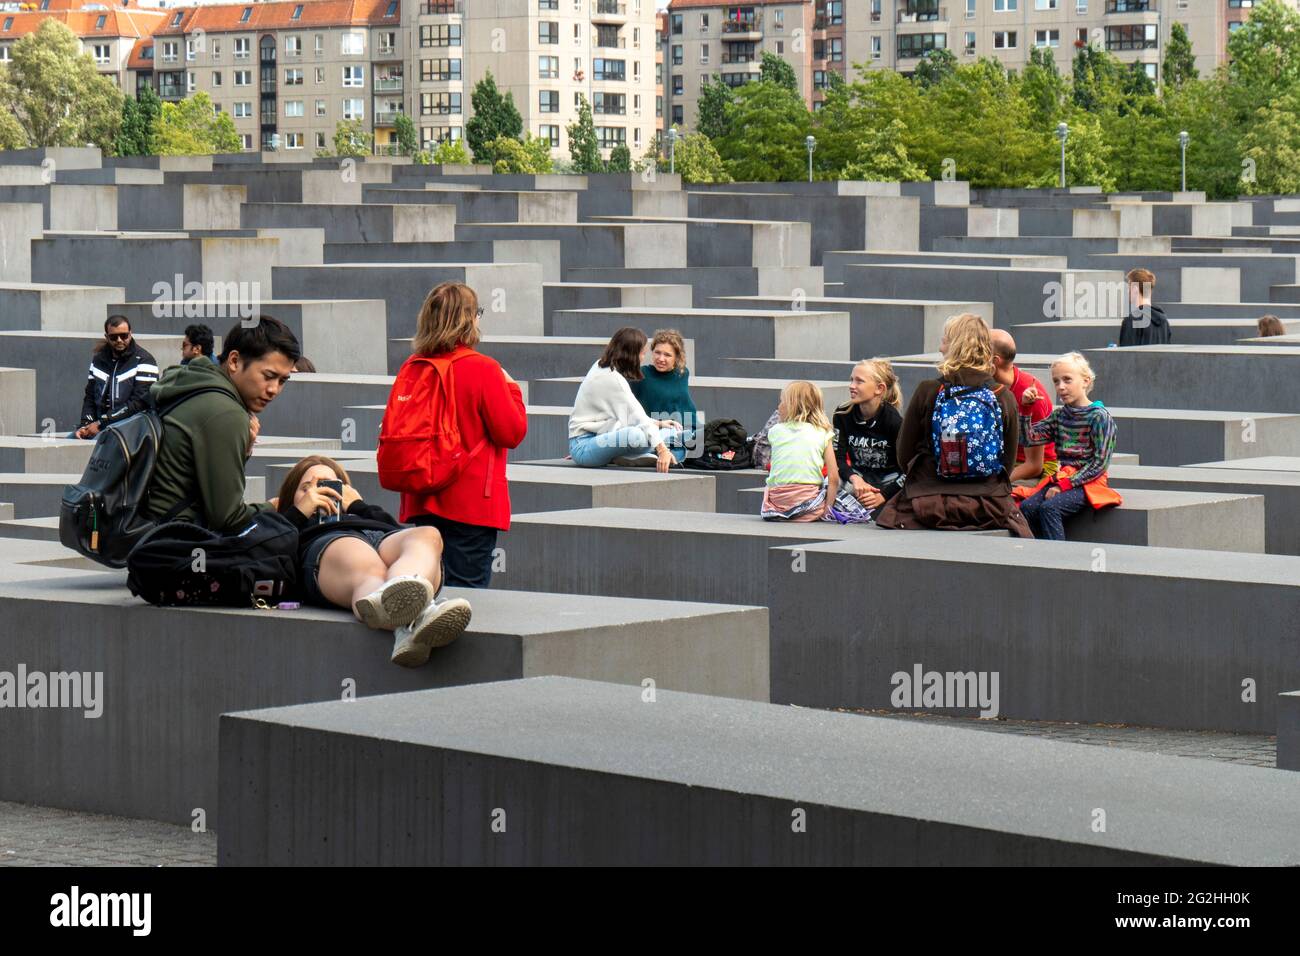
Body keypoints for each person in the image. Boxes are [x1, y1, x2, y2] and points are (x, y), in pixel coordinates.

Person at [275, 456, 472, 666]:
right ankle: (422, 614)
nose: (320, 492)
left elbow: (393, 529)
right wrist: (298, 513)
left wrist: (358, 505)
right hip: (326, 543)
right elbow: (269, 544)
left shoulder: (358, 511)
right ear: (291, 496)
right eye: (306, 487)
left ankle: (410, 619)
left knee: (427, 535)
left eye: (330, 486)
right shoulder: (286, 520)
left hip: (377, 537)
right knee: (366, 563)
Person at [397, 282, 528, 589]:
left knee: (428, 591)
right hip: (470, 504)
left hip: (421, 495)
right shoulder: (483, 368)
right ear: (468, 319)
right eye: (478, 312)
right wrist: (513, 389)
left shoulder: (412, 366)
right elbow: (511, 432)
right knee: (465, 596)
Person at [875, 313, 1031, 537]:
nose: (940, 348)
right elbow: (1008, 462)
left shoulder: (928, 391)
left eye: (944, 340)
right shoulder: (1003, 396)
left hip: (927, 503)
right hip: (988, 505)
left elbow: (903, 455)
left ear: (954, 346)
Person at [144, 316, 298, 533]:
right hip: (178, 547)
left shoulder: (189, 381)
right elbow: (229, 519)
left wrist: (242, 451)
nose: (274, 389)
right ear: (234, 361)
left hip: (148, 539)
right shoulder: (226, 413)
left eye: (282, 381)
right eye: (269, 376)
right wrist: (278, 507)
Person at [1016, 352, 1121, 541]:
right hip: (1064, 477)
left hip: (1087, 482)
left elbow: (1099, 463)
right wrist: (1026, 409)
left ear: (1086, 381)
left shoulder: (1100, 417)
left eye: (1067, 380)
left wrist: (1064, 485)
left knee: (1050, 508)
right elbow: (1027, 439)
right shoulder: (1060, 416)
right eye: (1056, 381)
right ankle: (1038, 553)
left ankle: (1059, 560)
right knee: (1027, 507)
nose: (1061, 387)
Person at [569, 327, 680, 472]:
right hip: (584, 446)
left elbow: (631, 414)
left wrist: (658, 423)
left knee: (665, 431)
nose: (642, 358)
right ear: (631, 355)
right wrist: (662, 450)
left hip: (600, 437)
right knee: (637, 436)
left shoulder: (602, 365)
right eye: (642, 353)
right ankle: (640, 452)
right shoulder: (612, 379)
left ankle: (624, 456)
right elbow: (638, 417)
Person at [828, 358, 904, 522]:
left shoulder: (894, 421)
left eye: (859, 381)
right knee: (828, 481)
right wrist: (855, 479)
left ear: (879, 389)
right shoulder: (842, 414)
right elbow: (837, 458)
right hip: (858, 481)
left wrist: (882, 496)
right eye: (851, 380)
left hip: (888, 484)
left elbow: (908, 470)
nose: (851, 386)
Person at [759, 381, 838, 522]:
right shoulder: (823, 433)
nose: (778, 407)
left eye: (781, 402)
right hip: (810, 508)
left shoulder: (775, 431)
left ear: (792, 405)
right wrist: (828, 509)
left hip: (776, 505)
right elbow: (833, 478)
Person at [989, 329, 1057, 484]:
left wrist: (995, 482)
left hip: (1034, 468)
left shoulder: (1032, 395)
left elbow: (1034, 465)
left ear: (994, 361)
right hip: (1003, 462)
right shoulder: (990, 387)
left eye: (979, 351)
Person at [75, 315, 159, 439]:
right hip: (101, 425)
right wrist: (85, 424)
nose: (119, 340)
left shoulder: (145, 360)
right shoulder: (98, 359)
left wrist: (102, 423)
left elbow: (139, 403)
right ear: (107, 337)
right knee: (73, 439)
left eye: (124, 336)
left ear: (130, 334)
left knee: (99, 443)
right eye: (114, 337)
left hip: (132, 426)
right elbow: (90, 396)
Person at [630, 328, 698, 459]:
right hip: (655, 429)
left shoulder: (683, 374)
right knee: (675, 446)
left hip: (684, 428)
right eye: (657, 353)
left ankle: (662, 456)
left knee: (691, 440)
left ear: (677, 357)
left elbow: (681, 403)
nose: (661, 358)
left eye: (667, 355)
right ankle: (658, 456)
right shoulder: (641, 374)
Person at [1118, 267, 1172, 346]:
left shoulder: (1131, 321)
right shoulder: (1164, 322)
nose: (1127, 291)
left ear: (1135, 289)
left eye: (1128, 286)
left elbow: (1126, 356)